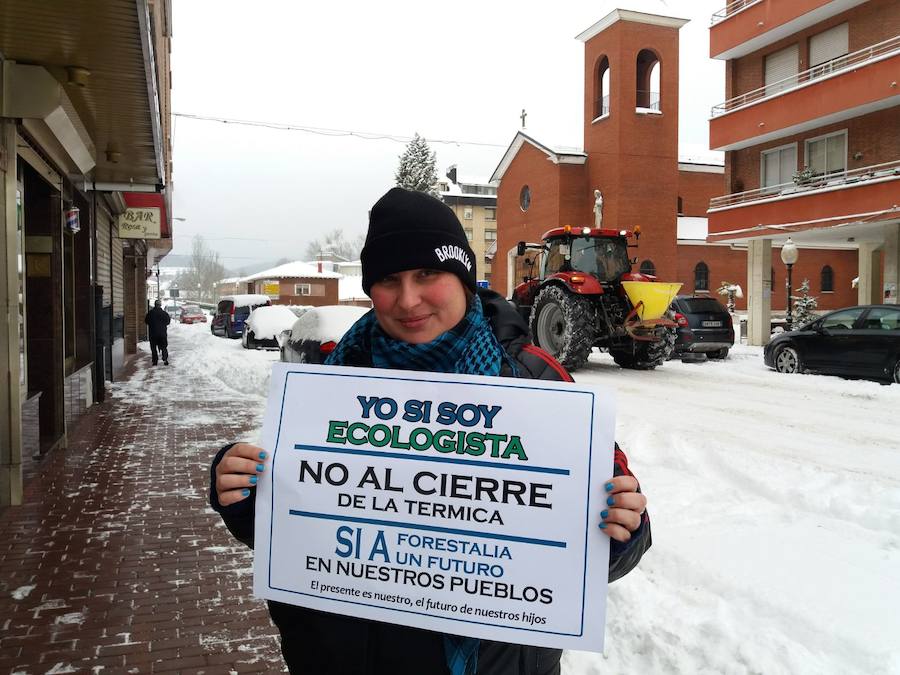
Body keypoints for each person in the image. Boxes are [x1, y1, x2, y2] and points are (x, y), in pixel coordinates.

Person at [209, 187, 651, 675]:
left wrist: (622, 530)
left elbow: (596, 543)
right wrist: (243, 493)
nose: (408, 299)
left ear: (462, 277)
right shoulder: (331, 381)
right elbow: (301, 527)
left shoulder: (536, 380)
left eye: (427, 274)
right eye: (388, 280)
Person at [144, 299, 171, 366]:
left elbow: (146, 321)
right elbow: (168, 322)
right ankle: (165, 359)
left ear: (155, 305)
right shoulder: (164, 313)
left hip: (153, 334)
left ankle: (155, 361)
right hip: (162, 334)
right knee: (164, 347)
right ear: (160, 305)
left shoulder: (150, 313)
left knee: (153, 348)